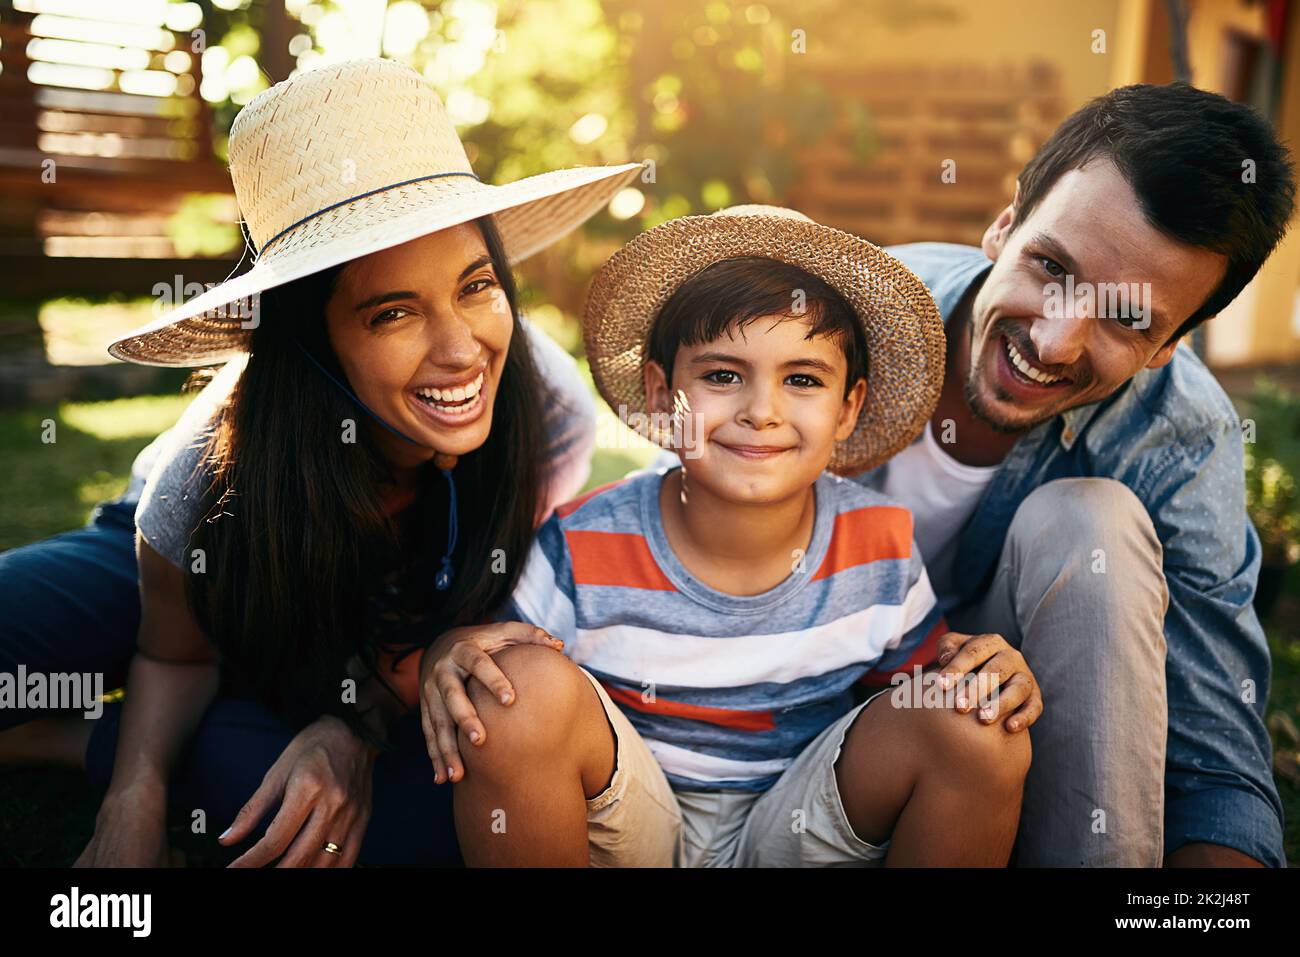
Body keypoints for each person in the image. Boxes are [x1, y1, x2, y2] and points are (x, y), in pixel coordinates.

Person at [0, 56, 640, 867]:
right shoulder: (203, 477)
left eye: (476, 286)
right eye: (393, 312)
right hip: (196, 573)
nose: (460, 350)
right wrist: (135, 799)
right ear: (313, 347)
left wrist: (350, 730)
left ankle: (72, 736)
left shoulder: (543, 412)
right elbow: (176, 651)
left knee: (337, 812)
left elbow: (457, 627)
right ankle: (105, 736)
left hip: (371, 633)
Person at [418, 205, 1044, 867]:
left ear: (848, 407)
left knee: (976, 719)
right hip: (629, 825)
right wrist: (449, 653)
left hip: (795, 827)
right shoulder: (583, 542)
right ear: (662, 398)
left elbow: (921, 701)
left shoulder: (877, 543)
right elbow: (498, 673)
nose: (761, 411)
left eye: (802, 379)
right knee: (508, 690)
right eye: (721, 376)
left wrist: (987, 673)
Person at [851, 83, 1296, 866]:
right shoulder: (845, 315)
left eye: (1129, 318)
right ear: (1005, 222)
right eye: (1052, 265)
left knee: (1089, 521)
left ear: (1170, 346)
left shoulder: (1181, 435)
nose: (1054, 342)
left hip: (1019, 773)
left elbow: (1213, 765)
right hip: (798, 741)